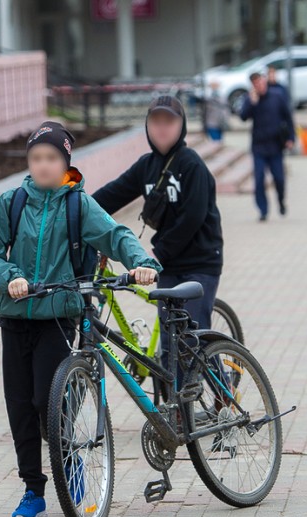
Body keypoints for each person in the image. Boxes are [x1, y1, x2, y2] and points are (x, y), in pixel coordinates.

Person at [0, 120, 161, 517]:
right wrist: (10, 278)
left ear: (65, 161)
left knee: (49, 401)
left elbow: (115, 236)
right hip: (13, 318)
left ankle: (72, 466)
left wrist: (143, 263)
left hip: (58, 318)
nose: (42, 166)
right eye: (36, 158)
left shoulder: (79, 205)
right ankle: (32, 491)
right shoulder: (12, 202)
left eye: (51, 158)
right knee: (20, 409)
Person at [92, 96, 224, 374]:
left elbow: (193, 218)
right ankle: (175, 415)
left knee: (191, 339)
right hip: (169, 265)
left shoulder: (192, 166)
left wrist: (156, 254)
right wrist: (75, 212)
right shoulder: (147, 165)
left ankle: (222, 396)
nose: (162, 128)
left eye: (169, 122)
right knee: (170, 344)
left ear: (182, 126)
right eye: (156, 122)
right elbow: (112, 195)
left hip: (200, 263)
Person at [240, 72, 295, 222]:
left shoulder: (277, 96)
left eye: (262, 82)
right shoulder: (250, 99)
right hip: (258, 147)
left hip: (276, 146)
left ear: (265, 81)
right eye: (257, 84)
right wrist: (252, 102)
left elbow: (288, 117)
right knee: (258, 180)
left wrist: (291, 138)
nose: (260, 86)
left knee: (279, 179)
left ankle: (281, 201)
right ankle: (263, 210)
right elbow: (243, 117)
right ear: (253, 86)